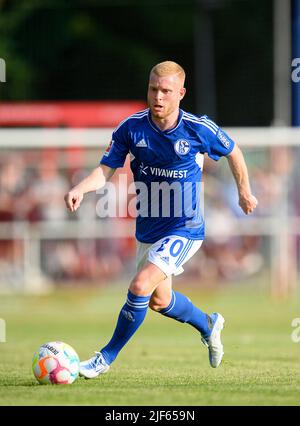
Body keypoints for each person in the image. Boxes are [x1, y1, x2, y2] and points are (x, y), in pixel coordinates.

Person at [64, 61, 258, 378]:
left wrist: (244, 192)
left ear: (180, 93)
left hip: (185, 227)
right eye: (153, 89)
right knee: (159, 300)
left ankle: (103, 359)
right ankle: (208, 323)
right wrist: (81, 188)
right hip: (149, 228)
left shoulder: (198, 128)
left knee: (140, 286)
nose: (158, 97)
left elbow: (233, 151)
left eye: (166, 91)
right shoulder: (131, 127)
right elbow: (105, 169)